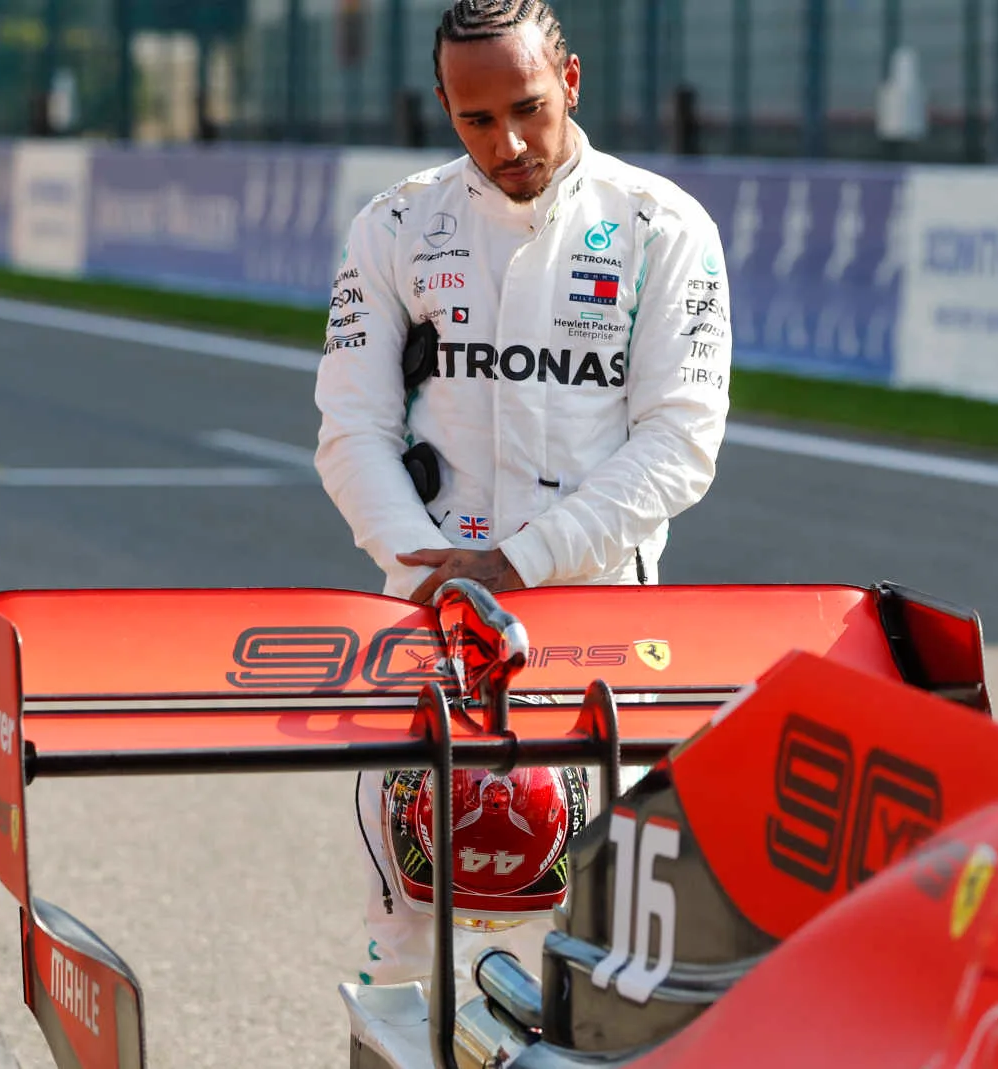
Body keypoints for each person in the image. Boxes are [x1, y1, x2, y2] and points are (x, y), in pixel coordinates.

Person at [313, 0, 734, 999]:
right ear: (443, 107)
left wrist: (516, 563)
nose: (505, 142)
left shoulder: (660, 225)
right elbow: (350, 427)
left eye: (527, 108)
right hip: (427, 620)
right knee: (405, 932)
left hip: (603, 633)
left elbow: (681, 442)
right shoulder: (397, 224)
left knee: (618, 946)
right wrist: (428, 570)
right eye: (474, 119)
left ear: (572, 82)